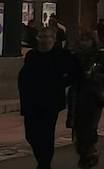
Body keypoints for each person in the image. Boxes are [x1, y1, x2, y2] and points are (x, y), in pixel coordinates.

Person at [19, 26, 77, 169]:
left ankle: (44, 163)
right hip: (31, 101)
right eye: (41, 37)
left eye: (47, 37)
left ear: (54, 39)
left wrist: (59, 83)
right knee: (31, 134)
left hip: (50, 101)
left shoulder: (61, 55)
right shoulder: (32, 55)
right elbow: (25, 75)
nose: (44, 40)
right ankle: (42, 159)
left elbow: (75, 74)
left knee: (46, 133)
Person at [70, 31, 104, 169]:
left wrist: (94, 77)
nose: (84, 42)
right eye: (82, 39)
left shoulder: (100, 56)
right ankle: (85, 153)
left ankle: (89, 153)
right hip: (77, 96)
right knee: (77, 127)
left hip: (94, 96)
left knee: (89, 127)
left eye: (87, 40)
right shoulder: (74, 56)